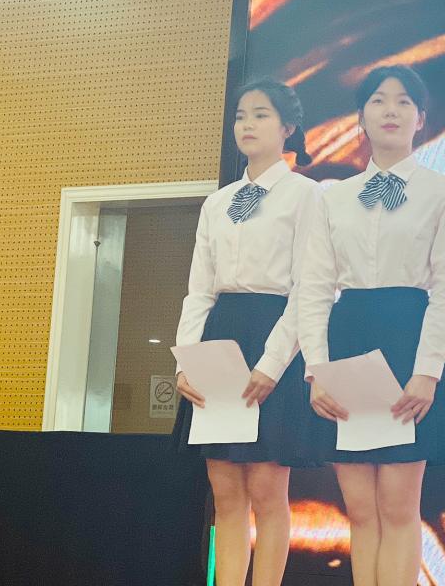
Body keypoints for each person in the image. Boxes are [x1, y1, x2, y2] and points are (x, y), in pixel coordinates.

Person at [298, 65, 445, 586]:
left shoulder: (443, 192)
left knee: (397, 505)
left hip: (409, 341)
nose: (390, 110)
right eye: (378, 100)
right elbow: (315, 287)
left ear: (421, 118)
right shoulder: (332, 197)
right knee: (360, 509)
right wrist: (316, 369)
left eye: (403, 101)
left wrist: (427, 372)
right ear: (361, 117)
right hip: (349, 341)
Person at [172, 79, 320, 586]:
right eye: (240, 116)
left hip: (273, 335)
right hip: (221, 337)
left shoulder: (306, 195)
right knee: (225, 491)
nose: (247, 125)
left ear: (287, 127)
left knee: (266, 489)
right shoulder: (217, 203)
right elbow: (198, 290)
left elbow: (309, 289)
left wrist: (272, 364)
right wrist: (187, 361)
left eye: (260, 115)